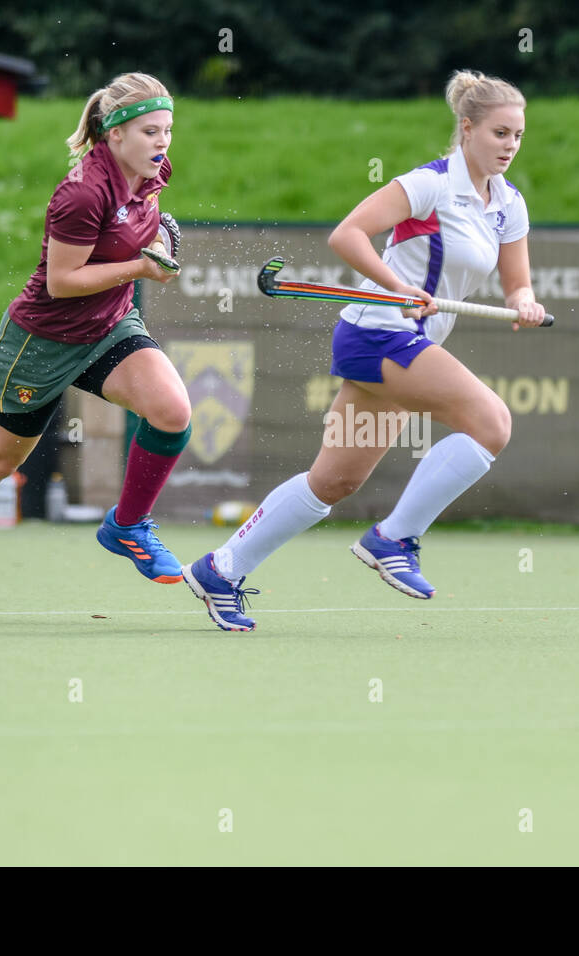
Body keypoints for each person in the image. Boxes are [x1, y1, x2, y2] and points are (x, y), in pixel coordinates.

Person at [183, 69, 547, 632]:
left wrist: (524, 300)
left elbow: (515, 279)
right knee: (489, 421)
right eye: (500, 133)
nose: (511, 146)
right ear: (467, 129)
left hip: (406, 344)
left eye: (518, 135)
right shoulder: (428, 185)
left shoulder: (508, 205)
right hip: (379, 333)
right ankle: (393, 538)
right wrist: (398, 285)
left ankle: (219, 569)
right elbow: (348, 234)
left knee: (334, 481)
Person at [0, 72, 192, 618]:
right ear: (115, 134)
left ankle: (127, 527)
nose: (162, 143)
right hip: (44, 340)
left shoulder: (154, 173)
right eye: (150, 131)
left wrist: (156, 244)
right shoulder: (81, 194)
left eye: (168, 130)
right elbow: (62, 281)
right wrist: (142, 267)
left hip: (109, 326)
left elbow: (143, 228)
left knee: (173, 411)